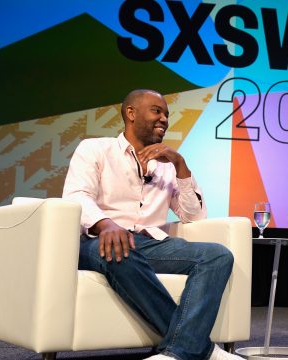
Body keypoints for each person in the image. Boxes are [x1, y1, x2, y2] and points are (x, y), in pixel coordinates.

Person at [63, 89, 241, 360]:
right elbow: (77, 195)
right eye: (157, 111)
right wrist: (106, 224)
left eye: (167, 114)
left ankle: (177, 352)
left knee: (217, 256)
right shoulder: (96, 149)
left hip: (150, 244)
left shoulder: (168, 166)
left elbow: (193, 216)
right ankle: (201, 350)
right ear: (131, 114)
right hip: (96, 240)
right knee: (119, 249)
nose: (164, 119)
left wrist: (180, 165)